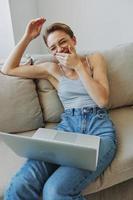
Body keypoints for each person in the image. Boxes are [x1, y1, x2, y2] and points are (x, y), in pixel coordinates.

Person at [2, 17, 117, 200]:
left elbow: (102, 100)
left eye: (63, 41)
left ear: (74, 40)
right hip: (67, 129)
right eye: (53, 48)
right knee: (20, 184)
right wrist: (27, 37)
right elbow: (8, 69)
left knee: (54, 191)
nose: (59, 49)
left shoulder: (93, 60)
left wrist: (78, 66)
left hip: (98, 130)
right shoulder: (52, 69)